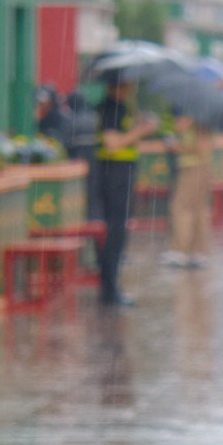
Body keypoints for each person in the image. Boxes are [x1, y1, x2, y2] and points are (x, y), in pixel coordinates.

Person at [89, 83, 149, 309]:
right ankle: (109, 289)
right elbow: (112, 143)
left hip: (120, 175)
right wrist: (141, 130)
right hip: (114, 177)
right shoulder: (110, 108)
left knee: (118, 232)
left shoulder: (121, 107)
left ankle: (111, 287)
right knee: (115, 233)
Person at [166, 116, 217, 267]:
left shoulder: (200, 122)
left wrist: (178, 146)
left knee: (182, 208)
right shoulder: (196, 120)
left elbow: (202, 148)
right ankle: (196, 251)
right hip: (198, 168)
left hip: (194, 168)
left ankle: (181, 250)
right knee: (197, 209)